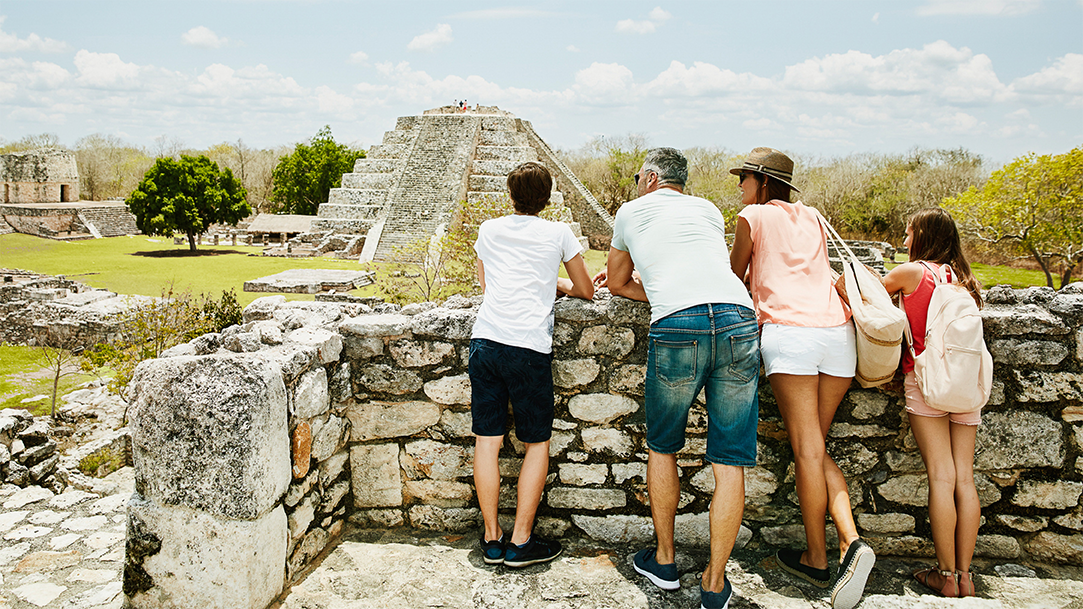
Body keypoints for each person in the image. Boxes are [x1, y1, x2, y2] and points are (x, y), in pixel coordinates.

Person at [603, 147, 760, 609]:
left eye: (637, 176)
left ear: (650, 178)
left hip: (678, 324)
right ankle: (714, 582)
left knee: (663, 445)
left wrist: (658, 291)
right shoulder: (709, 210)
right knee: (730, 460)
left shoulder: (630, 211)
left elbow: (615, 282)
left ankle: (666, 560)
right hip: (736, 318)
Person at [728, 147, 874, 609]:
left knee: (807, 450)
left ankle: (822, 554)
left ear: (763, 182)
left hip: (791, 334)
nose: (740, 186)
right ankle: (850, 542)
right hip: (837, 334)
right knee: (816, 447)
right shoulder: (811, 215)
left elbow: (734, 275)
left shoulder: (751, 215)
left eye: (746, 178)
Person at [469, 161, 594, 568]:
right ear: (547, 197)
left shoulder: (489, 229)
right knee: (535, 442)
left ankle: (491, 537)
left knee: (487, 440)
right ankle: (521, 540)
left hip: (486, 341)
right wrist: (554, 283)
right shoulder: (558, 232)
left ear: (511, 195)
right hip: (527, 346)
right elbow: (586, 290)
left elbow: (486, 285)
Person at [883, 208, 982, 598]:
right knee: (965, 479)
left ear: (922, 235)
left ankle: (945, 576)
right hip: (965, 384)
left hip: (925, 381)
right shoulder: (966, 280)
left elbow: (857, 290)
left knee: (941, 477)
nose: (904, 241)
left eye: (908, 233)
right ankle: (966, 576)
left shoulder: (911, 273)